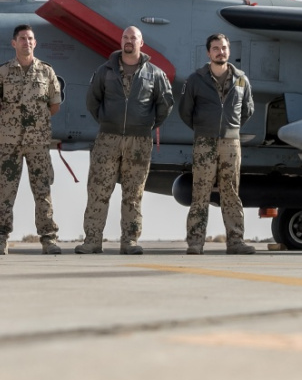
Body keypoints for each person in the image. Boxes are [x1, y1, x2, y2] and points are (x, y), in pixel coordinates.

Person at [77, 26, 174, 255]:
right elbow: (92, 101)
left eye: (133, 38)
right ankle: (92, 241)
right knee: (98, 190)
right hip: (107, 139)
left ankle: (129, 241)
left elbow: (165, 105)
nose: (129, 41)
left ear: (141, 43)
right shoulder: (105, 71)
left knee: (133, 193)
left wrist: (146, 124)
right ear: (121, 41)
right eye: (125, 37)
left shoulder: (155, 74)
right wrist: (107, 122)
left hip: (139, 141)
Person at [0, 25, 63, 255]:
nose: (26, 42)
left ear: (35, 43)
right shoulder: (2, 73)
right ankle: (0, 239)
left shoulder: (46, 72)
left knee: (43, 192)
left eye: (30, 38)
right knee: (5, 192)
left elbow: (54, 105)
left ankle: (48, 239)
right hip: (10, 143)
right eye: (22, 38)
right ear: (14, 43)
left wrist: (35, 124)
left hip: (38, 143)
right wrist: (12, 123)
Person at [178, 33, 256, 255]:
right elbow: (185, 111)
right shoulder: (196, 79)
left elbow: (247, 110)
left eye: (223, 48)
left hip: (231, 144)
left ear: (228, 51)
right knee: (200, 192)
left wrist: (230, 128)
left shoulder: (241, 79)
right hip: (204, 142)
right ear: (208, 53)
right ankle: (195, 243)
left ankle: (236, 242)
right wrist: (204, 128)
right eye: (215, 48)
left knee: (230, 192)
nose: (220, 52)